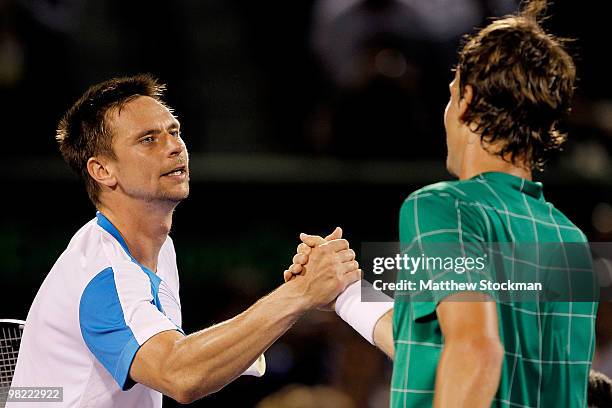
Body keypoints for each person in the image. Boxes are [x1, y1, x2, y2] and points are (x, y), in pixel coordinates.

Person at [287, 0, 598, 407]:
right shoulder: (570, 238)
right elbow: (436, 353)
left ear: (466, 101)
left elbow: (475, 352)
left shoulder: (443, 206)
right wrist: (345, 293)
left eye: (451, 96)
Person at [8, 75, 362, 407]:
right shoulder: (104, 273)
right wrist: (298, 294)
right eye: (148, 139)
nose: (174, 147)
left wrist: (297, 298)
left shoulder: (160, 249)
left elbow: (181, 359)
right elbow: (180, 375)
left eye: (173, 131)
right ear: (102, 170)